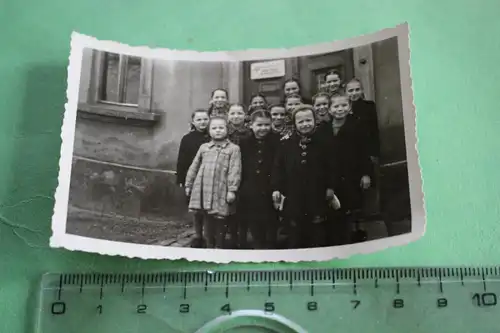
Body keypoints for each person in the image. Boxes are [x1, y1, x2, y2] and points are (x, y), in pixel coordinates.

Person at [272, 105, 336, 249]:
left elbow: (332, 166)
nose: (305, 124)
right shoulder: (286, 143)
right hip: (294, 193)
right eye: (300, 122)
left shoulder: (324, 141)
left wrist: (330, 187)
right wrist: (277, 188)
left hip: (317, 191)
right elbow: (278, 168)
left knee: (317, 228)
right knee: (295, 227)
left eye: (308, 120)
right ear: (295, 124)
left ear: (314, 120)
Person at [184, 116, 242, 249]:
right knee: (207, 218)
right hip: (203, 188)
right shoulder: (204, 147)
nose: (218, 131)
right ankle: (209, 245)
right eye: (214, 128)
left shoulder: (233, 149)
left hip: (221, 189)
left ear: (227, 130)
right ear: (209, 131)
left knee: (220, 218)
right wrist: (189, 184)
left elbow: (235, 169)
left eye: (221, 128)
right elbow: (194, 166)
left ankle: (219, 246)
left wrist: (232, 190)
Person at [327, 94, 373, 245]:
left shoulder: (357, 126)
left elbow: (365, 152)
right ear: (329, 109)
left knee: (351, 208)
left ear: (350, 107)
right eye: (336, 106)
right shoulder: (325, 128)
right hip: (332, 175)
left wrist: (366, 174)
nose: (340, 109)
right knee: (334, 209)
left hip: (352, 174)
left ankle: (352, 237)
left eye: (344, 106)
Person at [238, 110, 280, 249]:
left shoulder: (276, 141)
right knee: (254, 219)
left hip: (270, 187)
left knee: (271, 220)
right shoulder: (244, 143)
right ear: (251, 125)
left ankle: (271, 245)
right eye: (259, 125)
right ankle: (258, 245)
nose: (263, 128)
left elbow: (278, 164)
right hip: (251, 188)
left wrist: (276, 186)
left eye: (267, 125)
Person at [175, 109, 210, 248]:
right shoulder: (187, 138)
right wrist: (181, 179)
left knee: (208, 207)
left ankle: (207, 235)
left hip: (209, 177)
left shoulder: (212, 136)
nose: (202, 122)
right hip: (194, 177)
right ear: (193, 122)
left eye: (205, 119)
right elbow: (182, 160)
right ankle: (197, 234)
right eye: (199, 120)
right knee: (196, 208)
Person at [345, 78, 380, 160]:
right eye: (350, 90)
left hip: (367, 151)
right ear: (345, 92)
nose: (354, 93)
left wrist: (374, 153)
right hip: (350, 153)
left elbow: (374, 131)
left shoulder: (369, 106)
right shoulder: (343, 109)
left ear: (362, 90)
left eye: (357, 90)